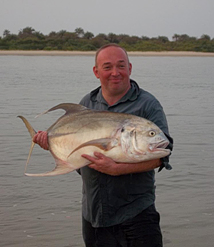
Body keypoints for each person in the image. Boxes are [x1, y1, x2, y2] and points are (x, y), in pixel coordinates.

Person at [33, 44, 173, 247]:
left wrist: (118, 169)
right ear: (96, 72)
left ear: (130, 68)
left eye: (121, 66)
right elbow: (77, 155)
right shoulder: (85, 104)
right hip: (94, 215)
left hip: (136, 213)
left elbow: (164, 154)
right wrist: (52, 145)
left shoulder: (147, 104)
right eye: (107, 67)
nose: (115, 73)